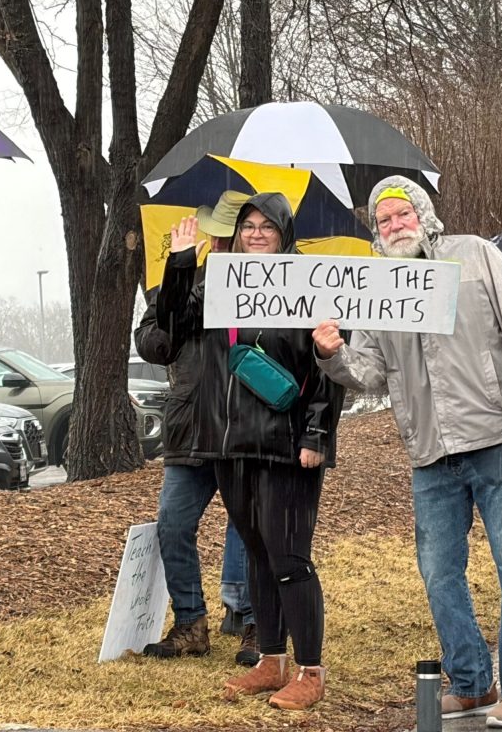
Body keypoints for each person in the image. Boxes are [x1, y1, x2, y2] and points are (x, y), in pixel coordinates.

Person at [312, 177, 502, 729]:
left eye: (403, 214)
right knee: (438, 571)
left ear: (424, 216)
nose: (395, 225)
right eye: (384, 220)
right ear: (376, 233)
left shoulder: (473, 255)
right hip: (429, 450)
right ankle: (473, 683)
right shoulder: (377, 288)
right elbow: (370, 370)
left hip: (497, 435)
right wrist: (331, 355)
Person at [158, 193, 343, 712]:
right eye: (248, 226)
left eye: (267, 226)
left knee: (289, 558)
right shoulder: (218, 281)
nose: (256, 234)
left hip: (286, 446)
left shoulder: (309, 282)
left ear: (285, 233)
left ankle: (310, 669)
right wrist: (180, 263)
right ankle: (271, 658)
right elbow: (170, 328)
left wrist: (316, 435)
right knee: (257, 554)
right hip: (229, 444)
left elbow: (328, 369)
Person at [135, 191, 256, 666]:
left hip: (247, 425)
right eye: (221, 235)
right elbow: (152, 343)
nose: (227, 243)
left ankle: (254, 624)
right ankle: (191, 623)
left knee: (250, 529)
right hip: (191, 424)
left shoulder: (271, 284)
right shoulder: (184, 277)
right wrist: (180, 283)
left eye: (235, 235)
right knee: (174, 524)